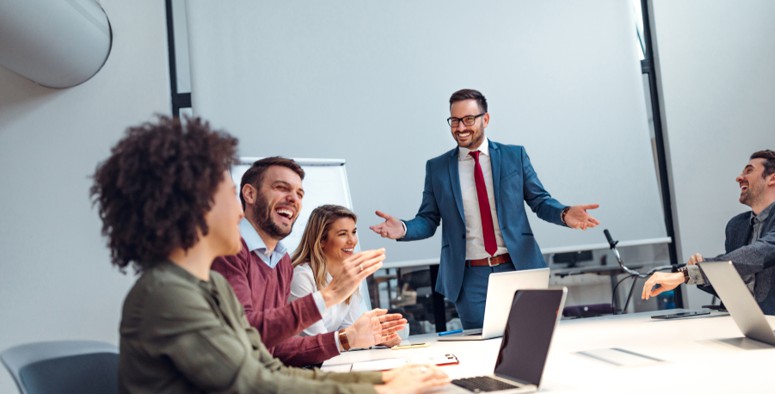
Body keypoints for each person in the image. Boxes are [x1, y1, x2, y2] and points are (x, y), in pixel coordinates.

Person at [91, 115, 448, 393]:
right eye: (229, 195)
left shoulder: (210, 286)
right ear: (190, 205)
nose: (237, 211)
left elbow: (270, 369)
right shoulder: (165, 294)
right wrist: (380, 389)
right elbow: (254, 385)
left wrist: (382, 384)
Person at [370, 88, 600, 329]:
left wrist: (564, 213)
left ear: (485, 119)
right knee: (481, 352)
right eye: (454, 121)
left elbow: (540, 201)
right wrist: (404, 228)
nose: (460, 128)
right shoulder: (437, 168)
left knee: (534, 338)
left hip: (518, 267)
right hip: (470, 279)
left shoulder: (514, 156)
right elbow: (428, 219)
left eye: (468, 119)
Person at [212, 157, 406, 367]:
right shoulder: (227, 250)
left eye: (299, 194)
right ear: (250, 194)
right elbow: (244, 335)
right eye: (281, 187)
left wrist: (348, 338)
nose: (293, 199)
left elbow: (276, 348)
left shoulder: (280, 262)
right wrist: (330, 296)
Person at [641, 150, 775, 315]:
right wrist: (698, 270)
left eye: (748, 171)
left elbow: (759, 253)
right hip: (742, 321)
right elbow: (733, 276)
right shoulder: (737, 226)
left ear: (773, 178)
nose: (739, 178)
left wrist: (688, 273)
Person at [291, 205, 400, 346]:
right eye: (343, 234)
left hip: (327, 359)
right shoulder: (301, 277)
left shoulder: (350, 275)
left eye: (353, 232)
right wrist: (356, 338)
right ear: (321, 240)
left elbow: (349, 327)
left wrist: (377, 337)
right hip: (302, 363)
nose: (352, 240)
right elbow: (319, 341)